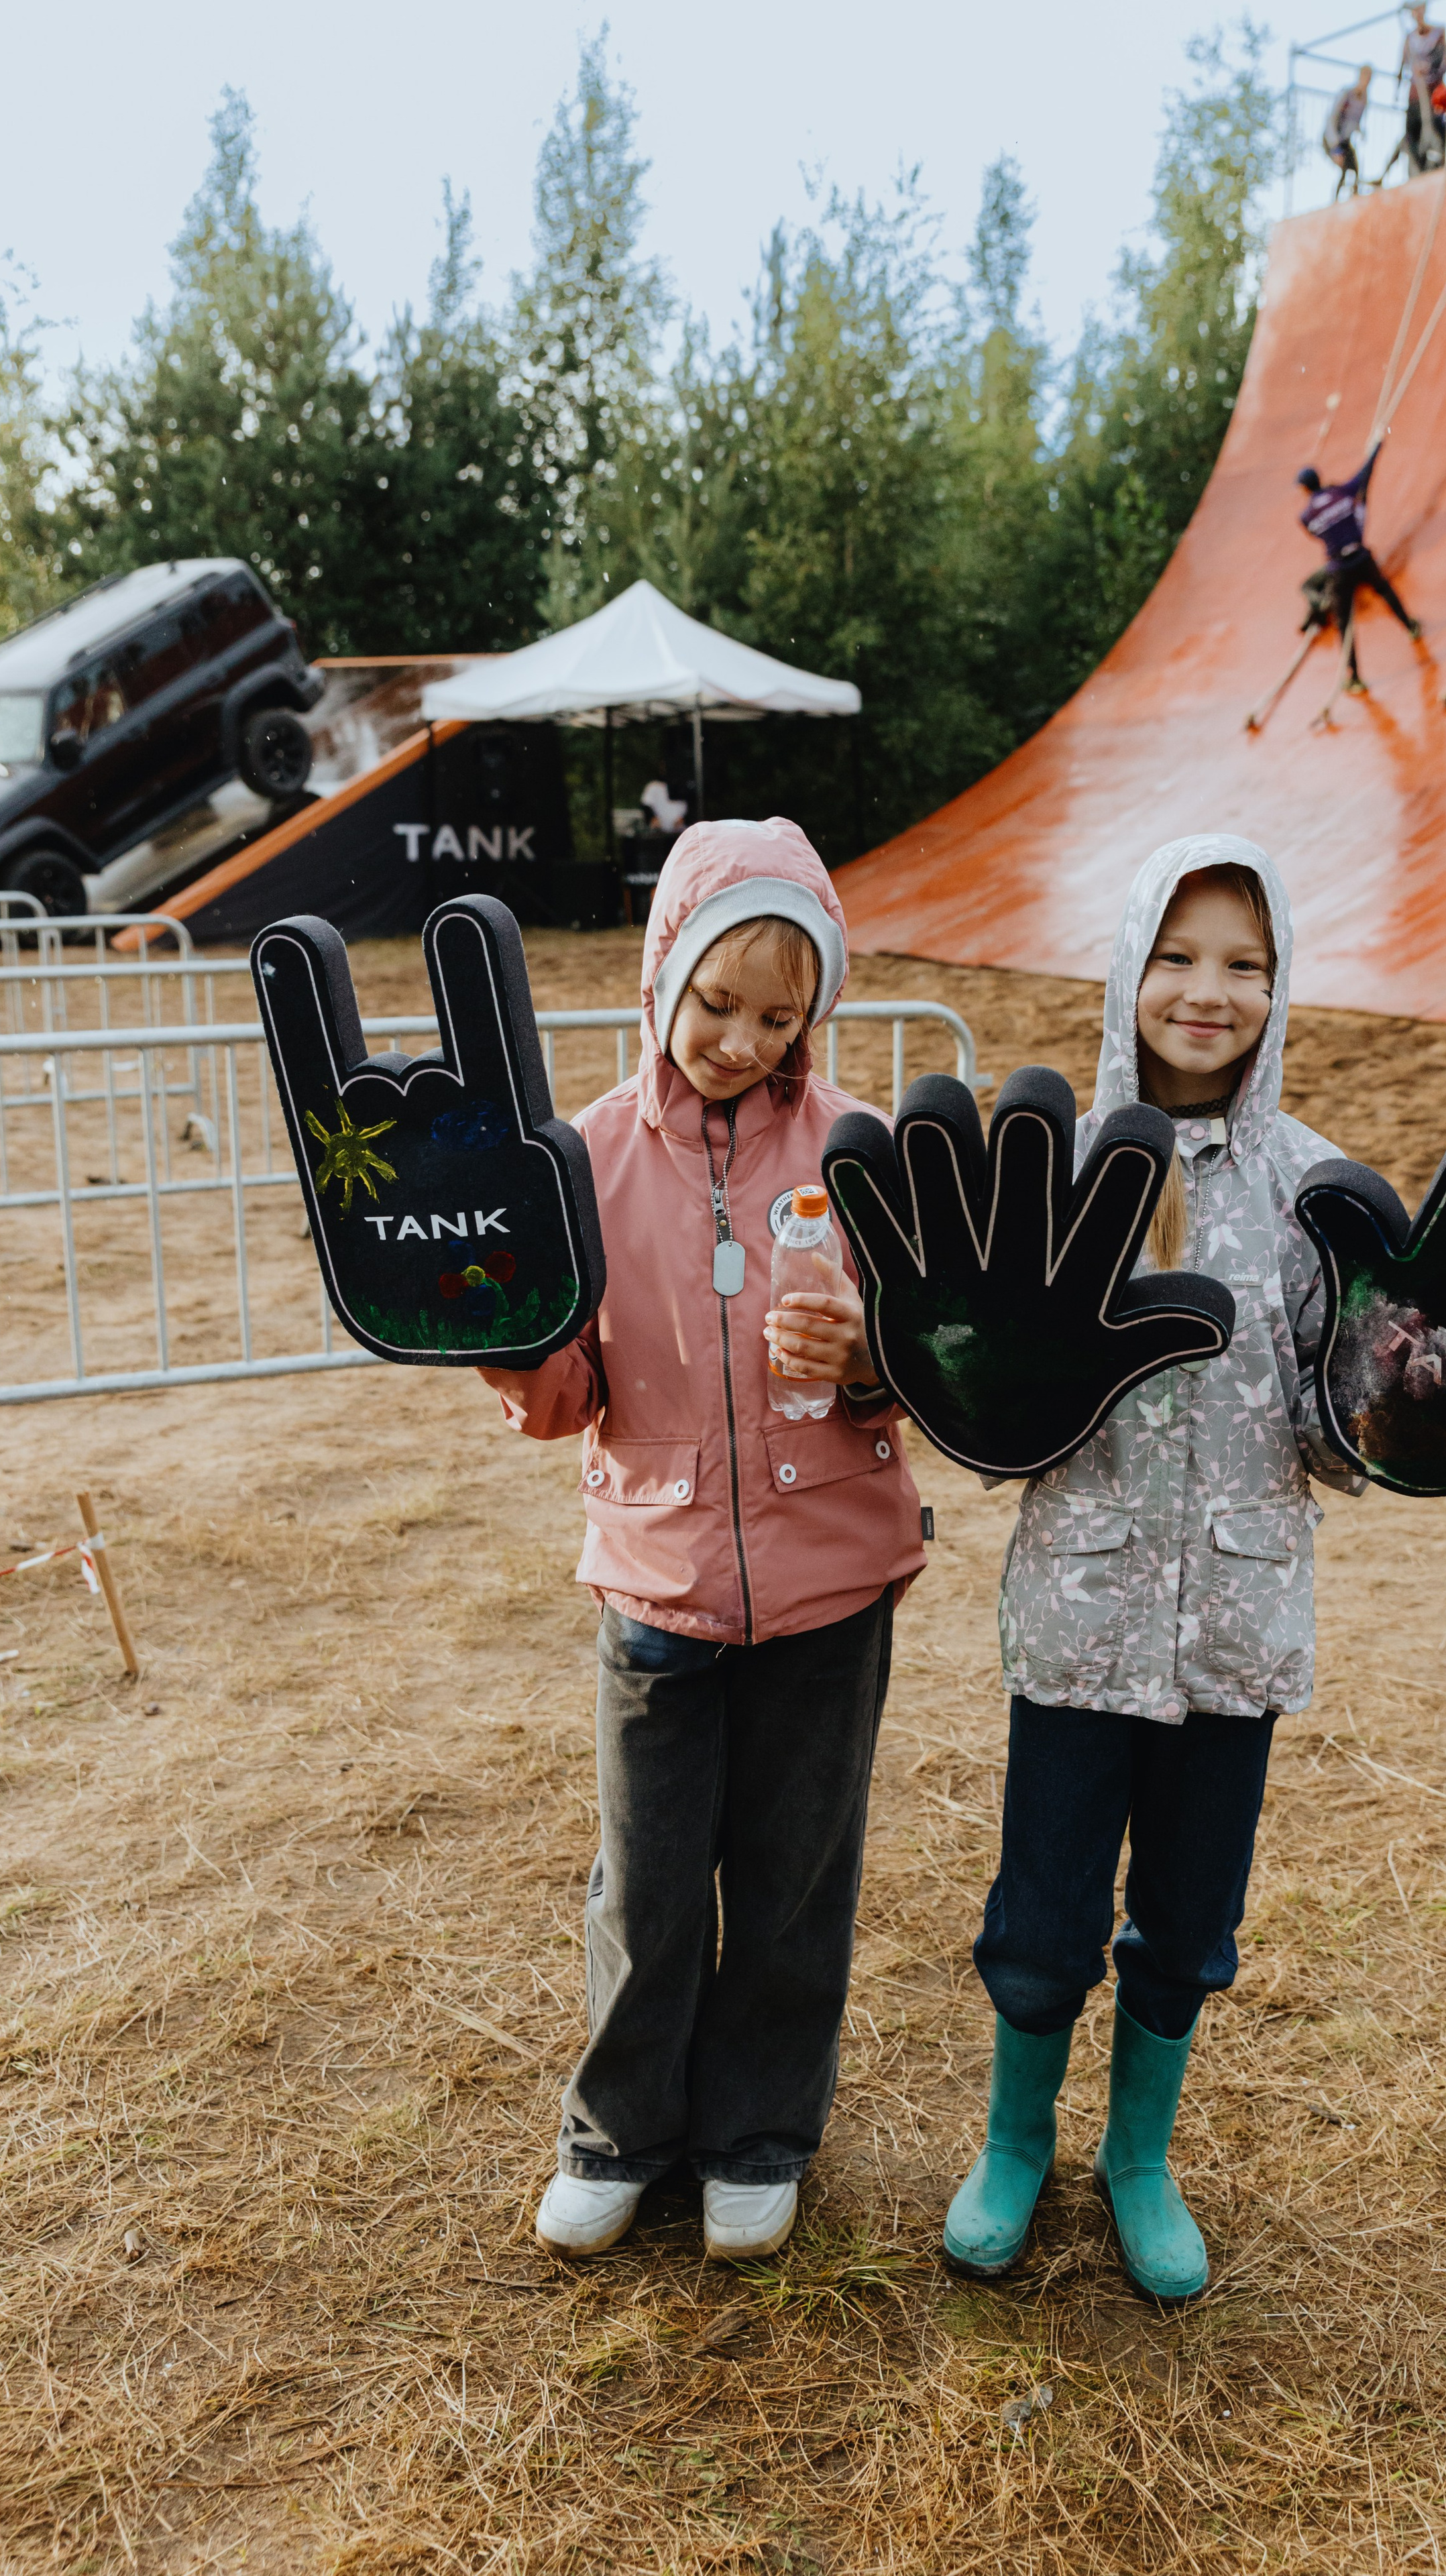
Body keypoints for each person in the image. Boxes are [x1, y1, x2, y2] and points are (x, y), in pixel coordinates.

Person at [480, 816, 926, 2265]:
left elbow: (933, 1361)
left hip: (832, 1579)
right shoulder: (584, 1158)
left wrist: (870, 1359)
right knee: (648, 1877)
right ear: (664, 974)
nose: (741, 1042)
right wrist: (503, 1337)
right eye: (718, 1003)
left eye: (779, 1017)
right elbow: (565, 1398)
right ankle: (619, 2133)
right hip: (657, 1581)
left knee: (794, 1874)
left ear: (816, 1014)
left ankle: (758, 2135)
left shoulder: (863, 1151)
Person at [940, 838, 1366, 2298]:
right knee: (1043, 1918)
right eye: (1177, 956)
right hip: (1082, 1612)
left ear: (1279, 986)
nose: (1207, 991)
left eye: (1243, 963)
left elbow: (1335, 1424)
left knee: (1187, 1921)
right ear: (1128, 970)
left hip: (1236, 1624)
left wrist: (1414, 1400)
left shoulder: (1311, 1188)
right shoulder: (1057, 1170)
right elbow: (992, 1413)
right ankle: (1014, 2144)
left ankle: (1137, 2158)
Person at [1294, 447, 1422, 693]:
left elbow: (1316, 534)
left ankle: (1354, 677)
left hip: (1338, 567)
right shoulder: (1341, 492)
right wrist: (1376, 448)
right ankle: (1411, 627)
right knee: (1384, 589)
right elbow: (1365, 475)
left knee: (1344, 622)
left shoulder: (1306, 516)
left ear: (1304, 489)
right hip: (1361, 558)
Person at [1400, 4, 1446, 170]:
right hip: (1416, 93)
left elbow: (1444, 59)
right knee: (1412, 133)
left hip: (1434, 93)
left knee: (1436, 127)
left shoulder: (1438, 32)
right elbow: (1403, 62)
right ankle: (1418, 167)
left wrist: (1430, 69)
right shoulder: (1410, 37)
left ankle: (1440, 162)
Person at [1323, 65, 1372, 198]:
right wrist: (1335, 147)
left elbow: (1355, 121)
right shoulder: (1346, 94)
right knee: (1345, 168)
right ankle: (1336, 202)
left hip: (1345, 141)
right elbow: (1332, 119)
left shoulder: (1364, 99)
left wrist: (1360, 131)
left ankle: (1354, 197)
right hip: (1332, 140)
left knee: (1355, 169)